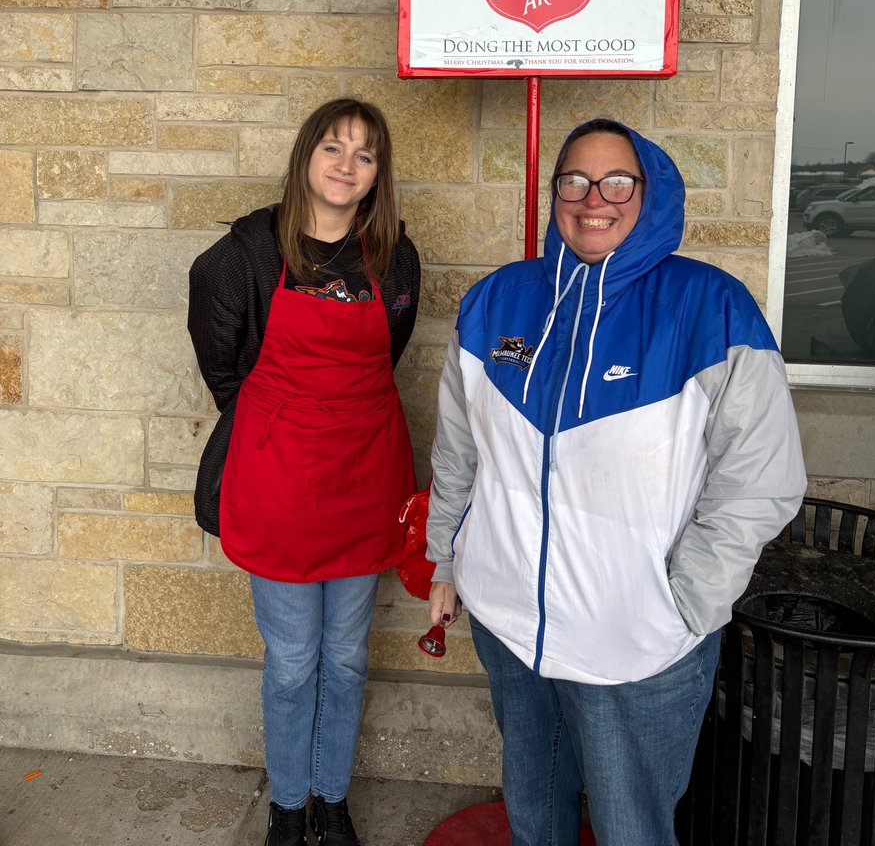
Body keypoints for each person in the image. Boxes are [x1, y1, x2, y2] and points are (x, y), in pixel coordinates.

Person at [426, 117, 806, 846]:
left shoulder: (711, 307)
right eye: (574, 178)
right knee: (534, 812)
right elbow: (458, 450)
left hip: (635, 639)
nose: (593, 197)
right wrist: (448, 556)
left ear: (650, 192)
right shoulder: (496, 305)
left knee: (632, 827)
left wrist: (685, 601)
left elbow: (761, 478)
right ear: (555, 192)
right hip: (509, 624)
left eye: (616, 180)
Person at [188, 99, 420, 846]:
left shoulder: (393, 254)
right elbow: (221, 356)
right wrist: (277, 416)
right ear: (304, 157)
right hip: (278, 477)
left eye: (364, 155)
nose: (346, 166)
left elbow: (392, 351)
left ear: (377, 175)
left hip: (365, 475)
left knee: (347, 657)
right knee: (293, 661)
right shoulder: (249, 252)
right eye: (332, 148)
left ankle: (330, 796)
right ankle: (288, 805)